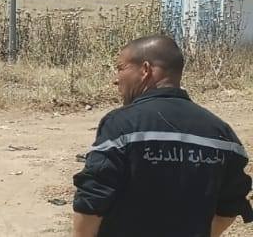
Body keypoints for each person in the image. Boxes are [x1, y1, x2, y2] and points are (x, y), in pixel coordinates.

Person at [73, 34, 253, 236]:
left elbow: (92, 200)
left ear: (145, 70)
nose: (116, 79)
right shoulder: (223, 134)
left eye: (121, 68)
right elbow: (231, 204)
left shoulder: (121, 125)